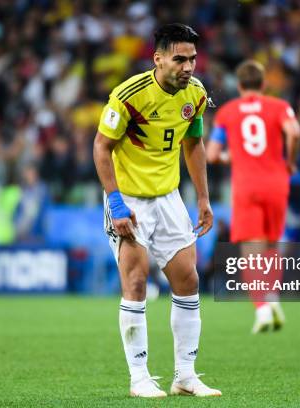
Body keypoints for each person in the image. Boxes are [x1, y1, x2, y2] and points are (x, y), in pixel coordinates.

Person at [93, 23, 221, 398]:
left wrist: (202, 198)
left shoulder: (196, 94)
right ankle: (139, 379)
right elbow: (101, 147)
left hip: (168, 199)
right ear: (158, 58)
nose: (188, 67)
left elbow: (194, 144)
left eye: (193, 59)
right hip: (128, 200)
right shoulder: (129, 95)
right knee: (136, 282)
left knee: (188, 281)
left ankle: (185, 375)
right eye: (180, 59)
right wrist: (115, 203)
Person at [206, 60, 300, 334]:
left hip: (247, 185)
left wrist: (229, 156)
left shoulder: (227, 112)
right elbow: (294, 131)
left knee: (250, 251)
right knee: (272, 245)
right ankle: (273, 299)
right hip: (276, 182)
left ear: (239, 86)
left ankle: (261, 309)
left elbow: (212, 154)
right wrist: (291, 161)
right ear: (264, 85)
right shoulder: (279, 106)